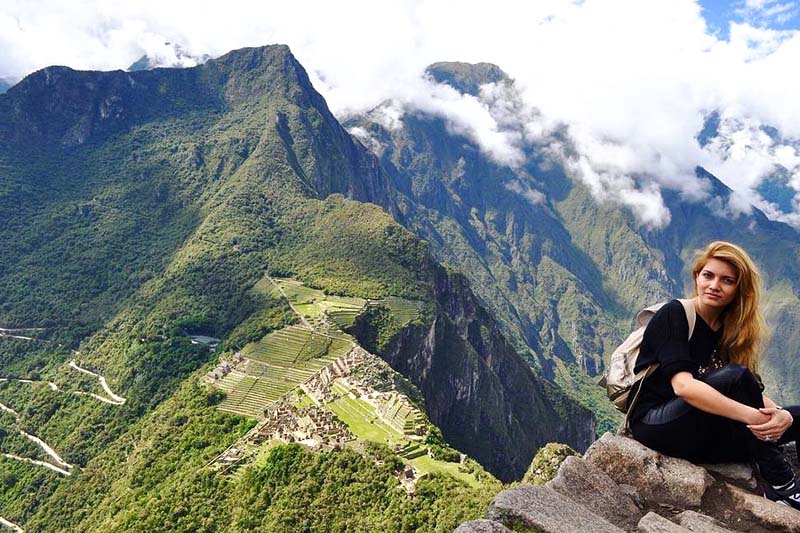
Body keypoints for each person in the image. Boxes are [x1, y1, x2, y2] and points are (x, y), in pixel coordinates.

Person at [629, 241, 800, 510]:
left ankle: (768, 456)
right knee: (736, 376)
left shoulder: (730, 329)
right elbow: (684, 387)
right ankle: (780, 484)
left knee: (795, 416)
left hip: (703, 428)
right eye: (708, 275)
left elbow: (750, 390)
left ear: (738, 290)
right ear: (697, 276)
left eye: (727, 280)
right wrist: (754, 418)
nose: (714, 285)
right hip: (656, 424)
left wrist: (779, 415)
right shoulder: (674, 315)